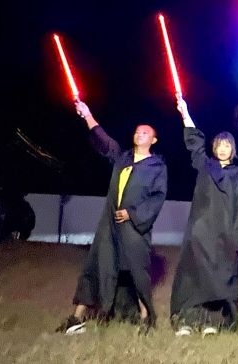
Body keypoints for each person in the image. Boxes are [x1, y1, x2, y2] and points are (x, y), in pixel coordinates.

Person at [56, 100, 167, 335]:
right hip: (110, 226)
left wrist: (132, 214)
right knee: (95, 266)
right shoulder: (122, 158)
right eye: (137, 131)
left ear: (154, 140)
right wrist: (87, 115)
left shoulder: (156, 167)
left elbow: (157, 197)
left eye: (145, 133)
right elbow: (104, 141)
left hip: (134, 228)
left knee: (137, 271)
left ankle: (146, 318)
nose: (139, 134)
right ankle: (76, 318)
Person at [169, 95, 238, 336]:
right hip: (200, 232)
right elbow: (194, 142)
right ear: (215, 148)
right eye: (220, 145)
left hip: (225, 236)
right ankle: (188, 320)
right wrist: (185, 113)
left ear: (232, 149)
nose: (223, 149)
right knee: (194, 279)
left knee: (219, 280)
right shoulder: (205, 166)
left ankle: (214, 322)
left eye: (227, 145)